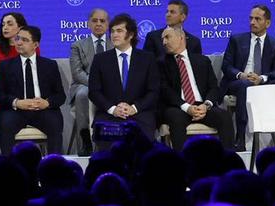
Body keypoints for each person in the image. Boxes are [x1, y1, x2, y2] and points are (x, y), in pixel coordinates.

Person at [220, 4, 275, 151]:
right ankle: (240, 137)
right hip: (238, 82)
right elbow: (226, 66)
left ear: (268, 23)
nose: (252, 22)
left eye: (257, 19)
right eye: (251, 18)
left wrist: (261, 78)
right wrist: (241, 75)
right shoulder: (237, 40)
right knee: (245, 85)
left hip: (261, 83)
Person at [88, 12, 161, 141]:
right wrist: (113, 109)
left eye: (119, 31)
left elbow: (153, 91)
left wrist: (134, 108)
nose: (114, 34)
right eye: (113, 31)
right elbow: (94, 92)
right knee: (107, 146)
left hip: (139, 114)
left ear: (131, 35)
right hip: (109, 115)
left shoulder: (147, 58)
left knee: (141, 144)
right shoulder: (100, 59)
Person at [0, 24, 65, 156]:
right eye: (18, 38)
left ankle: (53, 167)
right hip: (15, 111)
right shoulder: (5, 66)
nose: (19, 42)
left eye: (25, 40)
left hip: (42, 110)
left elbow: (60, 95)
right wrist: (16, 102)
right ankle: (8, 167)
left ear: (35, 45)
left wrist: (47, 103)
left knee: (55, 123)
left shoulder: (50, 65)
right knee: (6, 123)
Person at [158, 25, 233, 149]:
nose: (164, 42)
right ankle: (182, 164)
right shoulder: (161, 63)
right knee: (176, 119)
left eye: (167, 37)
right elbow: (165, 90)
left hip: (202, 106)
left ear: (181, 38)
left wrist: (206, 105)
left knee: (225, 117)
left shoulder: (202, 61)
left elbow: (214, 87)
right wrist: (187, 107)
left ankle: (228, 161)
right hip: (178, 107)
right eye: (163, 39)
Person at [69, 8, 111, 154]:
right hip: (85, 84)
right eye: (94, 21)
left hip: (111, 84)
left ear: (108, 24)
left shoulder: (115, 43)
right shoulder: (78, 45)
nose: (98, 24)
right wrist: (96, 84)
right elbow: (77, 73)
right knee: (83, 94)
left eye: (102, 21)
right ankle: (85, 138)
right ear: (88, 24)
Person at [0, 11, 28, 134]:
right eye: (3, 24)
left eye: (9, 24)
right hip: (2, 89)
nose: (5, 27)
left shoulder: (29, 46)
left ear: (20, 27)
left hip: (24, 89)